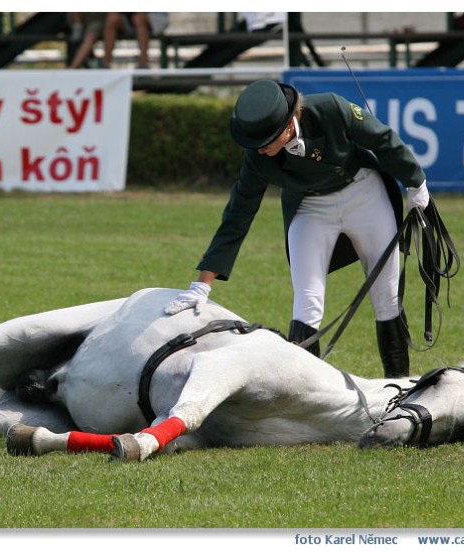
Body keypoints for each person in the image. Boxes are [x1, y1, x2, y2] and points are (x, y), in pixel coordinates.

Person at [164, 80, 429, 378]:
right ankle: (306, 394)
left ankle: (399, 387)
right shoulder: (257, 156)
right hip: (310, 206)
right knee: (307, 300)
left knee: (387, 295)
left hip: (364, 194)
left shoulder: (331, 107)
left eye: (266, 142)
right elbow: (239, 212)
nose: (261, 151)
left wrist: (415, 182)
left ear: (290, 122)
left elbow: (382, 139)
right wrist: (203, 283)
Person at [102, 12, 169, 68]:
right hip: (130, 17)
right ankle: (105, 65)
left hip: (155, 16)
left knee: (139, 18)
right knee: (112, 18)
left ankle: (143, 64)